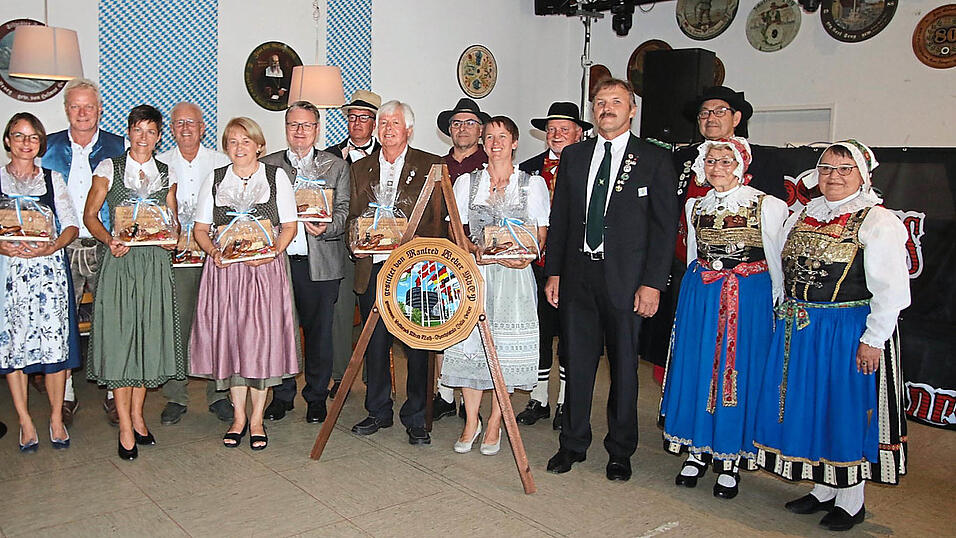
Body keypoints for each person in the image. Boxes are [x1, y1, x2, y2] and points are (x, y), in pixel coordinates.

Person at [753, 140, 910, 532]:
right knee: (813, 406)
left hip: (847, 328)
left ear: (862, 174)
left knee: (844, 408)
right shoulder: (806, 213)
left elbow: (892, 289)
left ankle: (851, 499)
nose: (833, 176)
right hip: (804, 328)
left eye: (844, 169)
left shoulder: (877, 221)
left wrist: (874, 339)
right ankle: (825, 488)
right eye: (826, 168)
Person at [544, 78, 678, 481]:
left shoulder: (654, 159)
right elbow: (562, 219)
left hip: (628, 281)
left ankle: (620, 450)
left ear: (631, 109)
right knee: (577, 363)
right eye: (600, 102)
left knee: (623, 368)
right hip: (578, 275)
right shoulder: (574, 156)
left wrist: (653, 283)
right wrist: (554, 271)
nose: (607, 108)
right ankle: (572, 443)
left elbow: (664, 226)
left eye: (616, 102)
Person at [658, 137, 787, 499]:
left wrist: (775, 306)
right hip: (703, 293)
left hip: (748, 296)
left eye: (725, 161)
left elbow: (776, 262)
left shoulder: (768, 205)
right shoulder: (695, 205)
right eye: (711, 160)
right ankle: (697, 449)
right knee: (699, 366)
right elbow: (695, 255)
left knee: (737, 370)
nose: (717, 167)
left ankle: (730, 459)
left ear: (741, 164)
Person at [643, 86, 787, 387]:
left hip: (743, 281)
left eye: (719, 111)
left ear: (736, 117)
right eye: (704, 113)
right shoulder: (681, 158)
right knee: (685, 344)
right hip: (687, 269)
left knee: (737, 354)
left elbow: (772, 233)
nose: (710, 118)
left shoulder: (763, 160)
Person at [189, 117, 299, 451]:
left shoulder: (276, 176)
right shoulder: (215, 178)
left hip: (263, 272)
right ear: (226, 147)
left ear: (259, 145)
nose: (239, 147)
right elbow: (200, 229)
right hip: (226, 274)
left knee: (259, 344)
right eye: (233, 141)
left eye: (246, 141)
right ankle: (238, 417)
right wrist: (214, 253)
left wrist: (271, 253)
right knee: (233, 343)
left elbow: (290, 226)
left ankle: (256, 420)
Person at [442, 115, 549, 455]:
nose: (495, 142)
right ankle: (471, 420)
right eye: (489, 137)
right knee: (470, 350)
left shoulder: (532, 184)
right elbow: (455, 230)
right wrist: (474, 249)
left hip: (514, 279)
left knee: (503, 353)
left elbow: (540, 234)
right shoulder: (467, 183)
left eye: (502, 136)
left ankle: (496, 422)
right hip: (475, 274)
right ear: (483, 143)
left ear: (515, 142)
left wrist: (526, 255)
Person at [83, 104, 184, 461]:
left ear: (159, 137)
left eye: (151, 131)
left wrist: (174, 235)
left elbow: (172, 219)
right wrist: (109, 240)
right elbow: (90, 215)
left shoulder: (166, 170)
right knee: (122, 340)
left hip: (154, 264)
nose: (144, 136)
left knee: (146, 339)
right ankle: (124, 425)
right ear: (128, 133)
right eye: (138, 130)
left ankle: (139, 415)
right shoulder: (109, 168)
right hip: (122, 262)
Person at [347, 100, 445, 445]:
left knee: (417, 344)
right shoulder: (360, 169)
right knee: (375, 343)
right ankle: (378, 410)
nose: (387, 128)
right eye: (383, 123)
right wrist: (355, 242)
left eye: (395, 123)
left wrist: (424, 251)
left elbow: (438, 219)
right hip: (372, 267)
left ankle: (416, 415)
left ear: (409, 130)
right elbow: (351, 218)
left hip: (416, 271)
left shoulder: (431, 165)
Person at [41, 78, 126, 427]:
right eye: (75, 106)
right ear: (66, 110)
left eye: (88, 106)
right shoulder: (46, 146)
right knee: (63, 321)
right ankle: (66, 396)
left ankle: (112, 391)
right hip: (61, 245)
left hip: (104, 244)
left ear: (99, 109)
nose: (82, 113)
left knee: (112, 318)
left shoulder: (118, 146)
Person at [261, 101, 350, 423]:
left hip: (321, 263)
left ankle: (315, 396)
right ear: (285, 129)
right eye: (293, 125)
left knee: (319, 334)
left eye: (307, 125)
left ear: (317, 129)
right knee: (279, 332)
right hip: (277, 263)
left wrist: (329, 226)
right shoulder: (267, 166)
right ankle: (282, 395)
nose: (300, 131)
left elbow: (344, 210)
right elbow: (259, 213)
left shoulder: (335, 166)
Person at [0, 113, 81, 452]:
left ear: (40, 143)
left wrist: (53, 245)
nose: (25, 142)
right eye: (19, 135)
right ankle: (24, 419)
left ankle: (56, 417)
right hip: (10, 273)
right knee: (13, 345)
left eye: (32, 136)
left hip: (48, 274)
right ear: (7, 141)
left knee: (54, 348)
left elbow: (71, 225)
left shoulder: (53, 179)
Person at [156, 102, 233, 425]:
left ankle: (219, 393)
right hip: (174, 260)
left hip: (214, 257)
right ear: (170, 131)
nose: (185, 128)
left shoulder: (221, 162)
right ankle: (176, 394)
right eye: (178, 123)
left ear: (203, 128)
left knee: (218, 325)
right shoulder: (160, 164)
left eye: (192, 123)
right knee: (177, 325)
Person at [516, 101, 590, 430]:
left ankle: (565, 402)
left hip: (575, 266)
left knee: (570, 337)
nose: (556, 135)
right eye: (551, 129)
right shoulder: (530, 169)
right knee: (540, 334)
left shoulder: (589, 167)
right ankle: (540, 398)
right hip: (536, 265)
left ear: (579, 133)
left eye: (564, 129)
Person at [432, 97, 491, 420]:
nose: (463, 129)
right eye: (457, 123)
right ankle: (443, 393)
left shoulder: (491, 164)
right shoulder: (437, 166)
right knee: (442, 324)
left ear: (480, 129)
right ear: (449, 130)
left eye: (469, 123)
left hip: (477, 258)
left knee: (474, 328)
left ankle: (473, 399)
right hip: (441, 256)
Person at [325, 89, 381, 400]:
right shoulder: (330, 156)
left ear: (374, 123)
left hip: (374, 247)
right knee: (341, 315)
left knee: (375, 313)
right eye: (353, 118)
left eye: (364, 118)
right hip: (340, 246)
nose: (357, 123)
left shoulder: (387, 155)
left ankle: (375, 379)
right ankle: (340, 377)